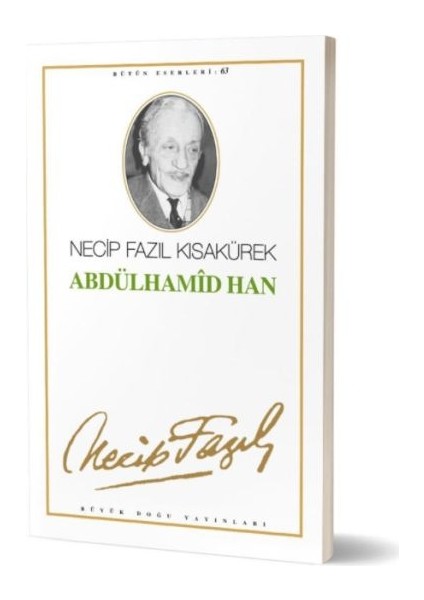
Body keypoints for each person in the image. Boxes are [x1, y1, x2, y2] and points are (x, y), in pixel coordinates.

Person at [127, 95, 209, 229]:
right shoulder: (122, 199)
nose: (182, 164)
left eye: (192, 149)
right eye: (170, 147)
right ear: (144, 151)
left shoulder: (209, 208)